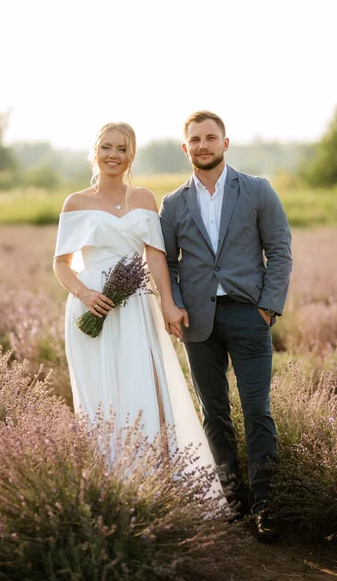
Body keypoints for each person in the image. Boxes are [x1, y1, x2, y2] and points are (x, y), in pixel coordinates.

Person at [53, 122, 222, 496]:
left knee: (145, 386)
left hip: (136, 307)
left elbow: (156, 257)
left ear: (132, 155)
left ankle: (154, 483)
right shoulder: (75, 202)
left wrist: (167, 303)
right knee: (101, 394)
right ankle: (109, 487)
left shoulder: (145, 198)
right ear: (95, 151)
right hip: (92, 308)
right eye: (107, 147)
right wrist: (84, 294)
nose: (114, 155)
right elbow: (61, 264)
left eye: (122, 149)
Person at [159, 110, 293, 542]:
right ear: (185, 148)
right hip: (198, 323)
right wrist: (175, 306)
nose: (203, 145)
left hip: (248, 315)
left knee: (258, 411)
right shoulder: (173, 203)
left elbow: (280, 250)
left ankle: (267, 505)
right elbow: (167, 264)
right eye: (194, 139)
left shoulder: (256, 190)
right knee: (214, 415)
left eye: (210, 138)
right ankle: (231, 502)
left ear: (225, 142)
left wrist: (268, 307)